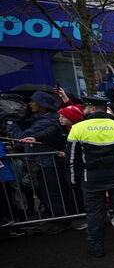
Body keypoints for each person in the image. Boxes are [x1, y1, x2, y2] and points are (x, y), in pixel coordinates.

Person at [65, 96, 114, 257]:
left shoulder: (78, 128)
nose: (83, 110)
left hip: (91, 178)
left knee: (94, 213)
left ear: (92, 109)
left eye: (85, 107)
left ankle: (96, 247)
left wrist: (72, 180)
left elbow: (71, 158)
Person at [5, 90, 67, 228]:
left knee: (50, 194)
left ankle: (60, 222)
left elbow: (22, 138)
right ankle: (55, 218)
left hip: (46, 163)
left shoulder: (47, 120)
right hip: (39, 162)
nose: (30, 104)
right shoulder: (38, 119)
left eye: (33, 101)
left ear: (42, 105)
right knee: (44, 194)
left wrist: (10, 124)